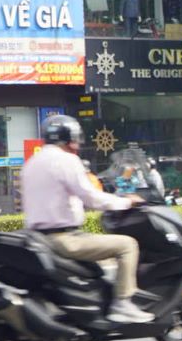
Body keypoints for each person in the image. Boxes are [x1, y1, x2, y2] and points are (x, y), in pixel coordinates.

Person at [21, 115, 155, 323]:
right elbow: (90, 197)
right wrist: (125, 202)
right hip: (64, 238)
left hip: (37, 238)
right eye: (76, 138)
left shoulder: (32, 162)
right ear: (68, 138)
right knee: (127, 245)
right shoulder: (65, 160)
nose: (78, 145)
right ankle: (122, 304)